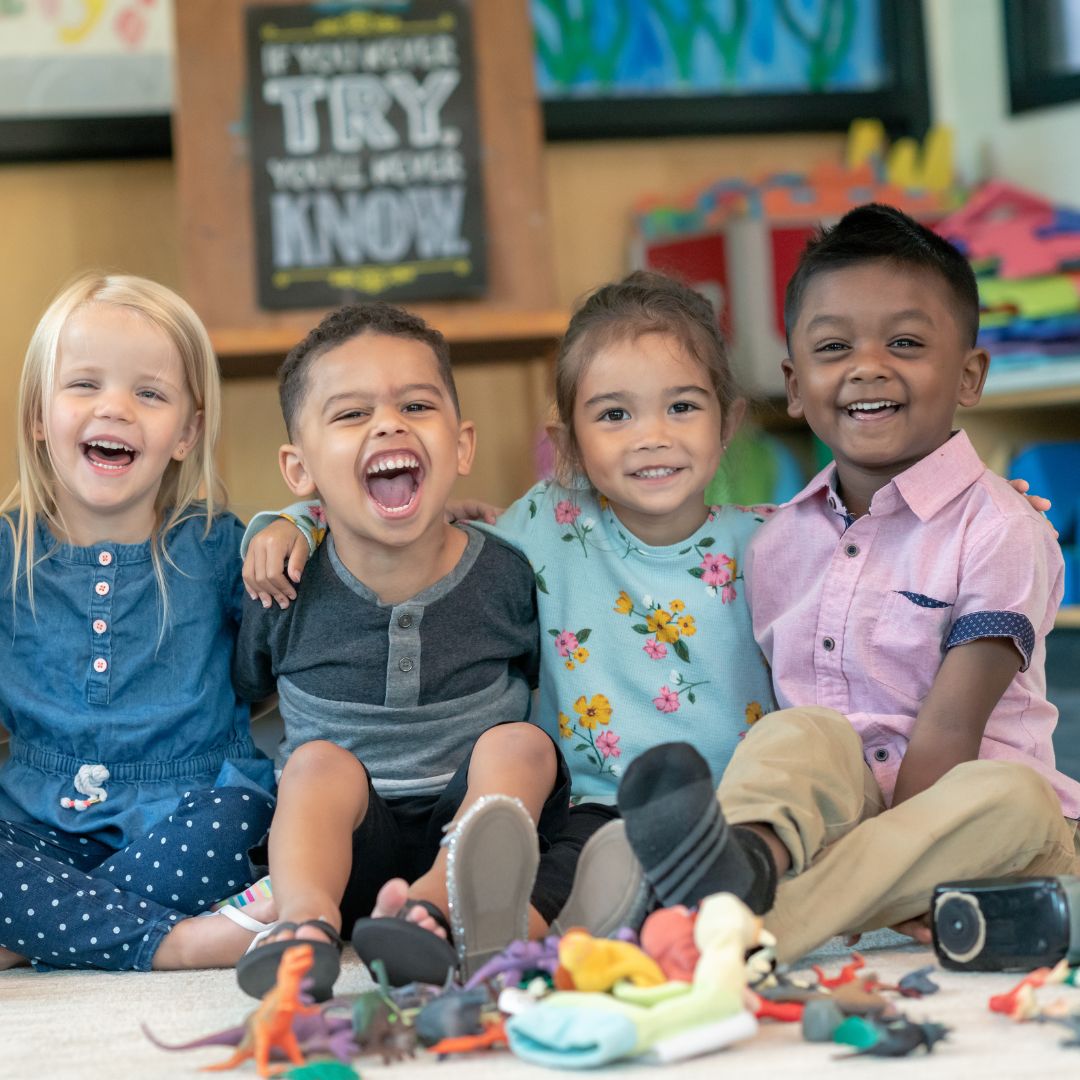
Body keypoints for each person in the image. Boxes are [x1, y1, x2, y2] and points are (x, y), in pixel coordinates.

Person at [243, 271, 780, 933]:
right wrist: (294, 521)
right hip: (575, 813)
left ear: (728, 422)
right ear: (568, 445)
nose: (652, 436)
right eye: (615, 414)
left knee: (529, 762)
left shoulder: (774, 542)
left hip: (733, 814)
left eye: (683, 407)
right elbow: (393, 538)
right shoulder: (547, 524)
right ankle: (375, 930)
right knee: (543, 875)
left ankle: (454, 920)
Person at [614, 204, 1080, 963]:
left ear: (969, 375)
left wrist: (900, 861)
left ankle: (745, 934)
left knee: (1012, 794)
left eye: (904, 342)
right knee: (799, 733)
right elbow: (641, 534)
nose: (868, 366)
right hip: (856, 832)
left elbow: (951, 732)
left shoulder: (999, 528)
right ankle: (740, 866)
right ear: (795, 385)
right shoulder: (774, 541)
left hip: (984, 834)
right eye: (834, 347)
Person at [231, 302, 574, 997]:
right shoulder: (284, 585)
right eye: (351, 414)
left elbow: (547, 673)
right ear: (300, 470)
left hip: (477, 841)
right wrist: (283, 526)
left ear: (462, 446)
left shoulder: (507, 572)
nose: (388, 423)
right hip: (341, 853)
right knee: (315, 764)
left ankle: (432, 911)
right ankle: (304, 928)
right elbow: (248, 686)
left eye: (416, 404)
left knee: (523, 745)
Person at [0, 272, 276, 975]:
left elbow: (290, 632)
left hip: (187, 814)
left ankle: (44, 933)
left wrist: (303, 523)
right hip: (38, 822)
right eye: (85, 385)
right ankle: (175, 943)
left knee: (248, 821)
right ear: (38, 414)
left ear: (185, 433)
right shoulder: (8, 549)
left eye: (148, 393)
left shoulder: (214, 544)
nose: (115, 408)